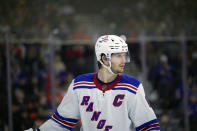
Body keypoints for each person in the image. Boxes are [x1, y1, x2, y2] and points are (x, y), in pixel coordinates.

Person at [25, 35, 160, 131]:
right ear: (104, 59)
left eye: (124, 55)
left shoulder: (132, 86)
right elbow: (61, 124)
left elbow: (149, 127)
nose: (123, 60)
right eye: (118, 56)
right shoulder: (79, 85)